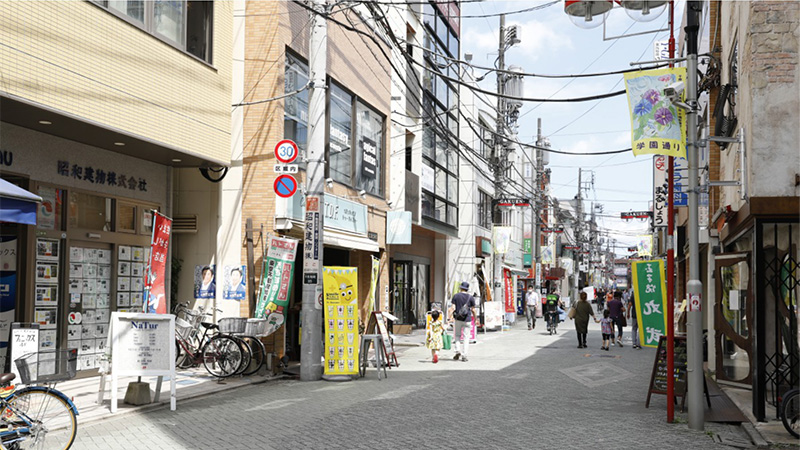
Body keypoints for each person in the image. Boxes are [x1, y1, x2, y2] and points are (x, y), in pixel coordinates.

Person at [448, 281, 476, 362]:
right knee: (466, 337)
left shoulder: (456, 296)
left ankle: (457, 351)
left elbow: (452, 308)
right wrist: (476, 319)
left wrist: (449, 318)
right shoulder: (471, 297)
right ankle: (464, 355)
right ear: (467, 289)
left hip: (458, 319)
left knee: (457, 335)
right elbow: (473, 310)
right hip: (467, 319)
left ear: (460, 288)